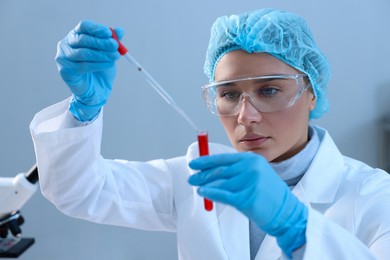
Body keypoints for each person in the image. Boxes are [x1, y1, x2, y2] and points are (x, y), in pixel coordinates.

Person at [30, 8, 390, 260]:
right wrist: (85, 109)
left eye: (269, 90)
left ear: (312, 93)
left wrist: (296, 227)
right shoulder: (196, 177)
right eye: (230, 94)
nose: (246, 116)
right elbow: (79, 191)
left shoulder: (374, 196)